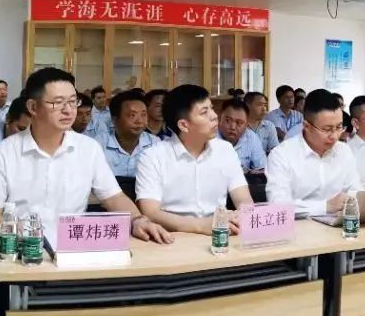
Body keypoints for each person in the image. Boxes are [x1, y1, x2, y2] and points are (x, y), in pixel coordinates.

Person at [0, 68, 171, 316]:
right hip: (20, 256)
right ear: (33, 107)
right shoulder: (5, 153)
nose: (68, 110)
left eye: (72, 101)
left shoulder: (88, 149)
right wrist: (23, 234)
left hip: (73, 257)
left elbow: (113, 197)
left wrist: (138, 219)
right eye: (57, 102)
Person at [136, 84, 253, 234]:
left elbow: (244, 199)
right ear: (184, 125)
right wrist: (201, 225)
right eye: (204, 112)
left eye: (211, 108)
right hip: (173, 237)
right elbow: (151, 212)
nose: (214, 116)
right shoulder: (152, 157)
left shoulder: (225, 150)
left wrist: (243, 216)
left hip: (221, 233)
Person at [266, 89, 362, 216]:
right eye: (327, 129)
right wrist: (326, 206)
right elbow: (278, 205)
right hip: (299, 226)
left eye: (339, 127)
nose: (334, 136)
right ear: (306, 126)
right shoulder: (281, 155)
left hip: (339, 224)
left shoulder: (344, 150)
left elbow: (356, 192)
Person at [96, 91, 158, 178]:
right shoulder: (99, 145)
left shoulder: (155, 144)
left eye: (143, 115)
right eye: (132, 115)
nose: (139, 121)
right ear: (114, 120)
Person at [216, 98, 266, 172]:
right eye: (228, 120)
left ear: (246, 125)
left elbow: (262, 168)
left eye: (239, 123)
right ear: (219, 118)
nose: (232, 127)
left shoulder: (251, 137)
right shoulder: (208, 136)